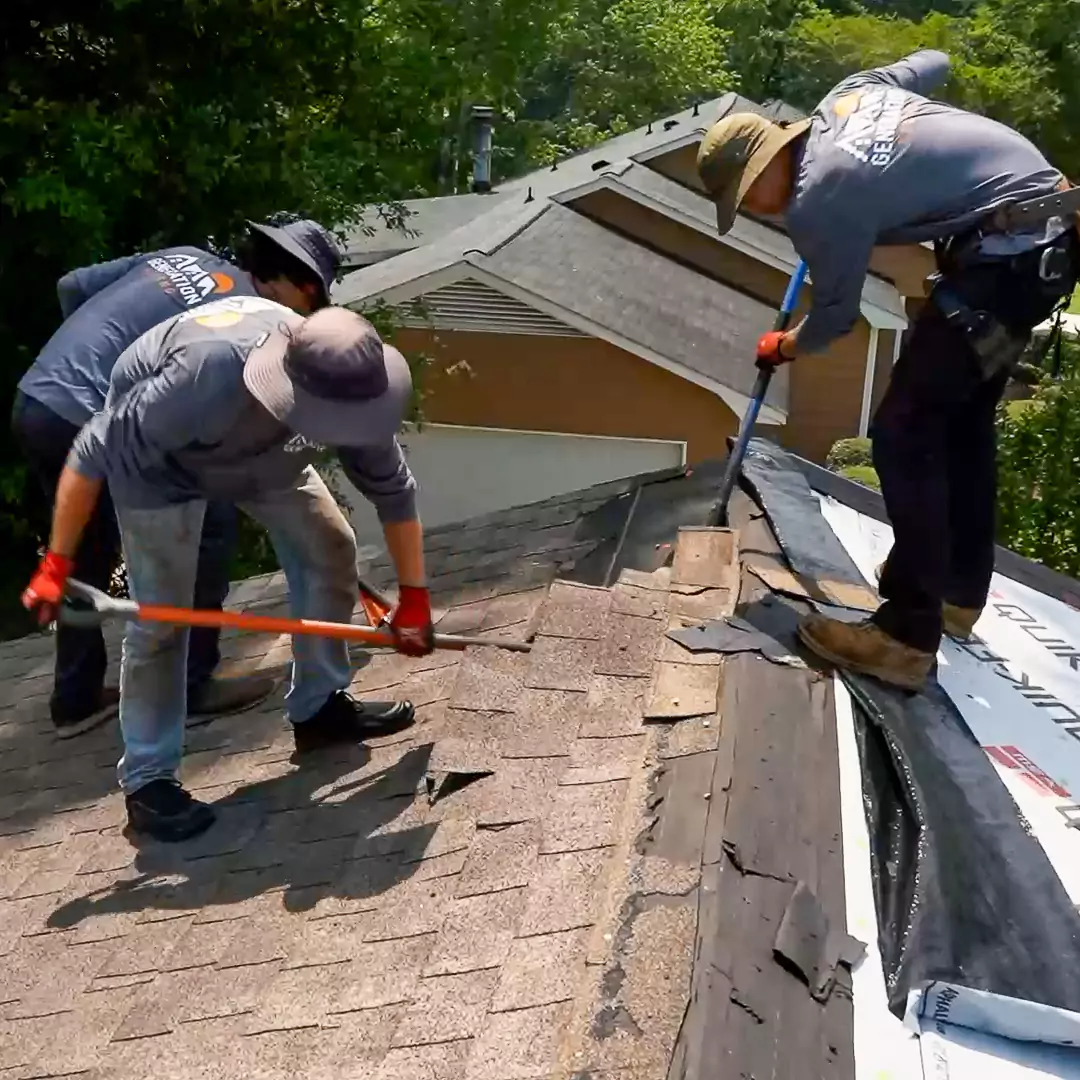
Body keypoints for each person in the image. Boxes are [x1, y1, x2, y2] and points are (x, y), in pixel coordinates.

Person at [697, 49, 1080, 691]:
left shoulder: (819, 202)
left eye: (749, 198)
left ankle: (905, 634)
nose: (762, 211)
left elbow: (838, 318)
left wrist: (783, 346)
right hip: (1047, 234)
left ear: (765, 164)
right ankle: (958, 592)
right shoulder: (850, 93)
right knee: (961, 426)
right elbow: (935, 60)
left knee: (903, 433)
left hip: (1008, 258)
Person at [21, 297, 434, 842]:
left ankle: (319, 708)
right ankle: (148, 783)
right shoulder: (202, 379)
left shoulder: (357, 386)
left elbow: (395, 496)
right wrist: (56, 563)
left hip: (264, 454)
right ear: (294, 392)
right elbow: (90, 453)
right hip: (161, 470)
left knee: (331, 549)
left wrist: (415, 599)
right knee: (164, 619)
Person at [12, 218, 342, 737]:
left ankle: (74, 698)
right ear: (292, 283)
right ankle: (192, 685)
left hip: (40, 399)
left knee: (88, 548)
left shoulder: (186, 254)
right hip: (97, 415)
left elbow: (71, 286)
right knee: (211, 525)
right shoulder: (244, 319)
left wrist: (93, 365)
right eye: (310, 298)